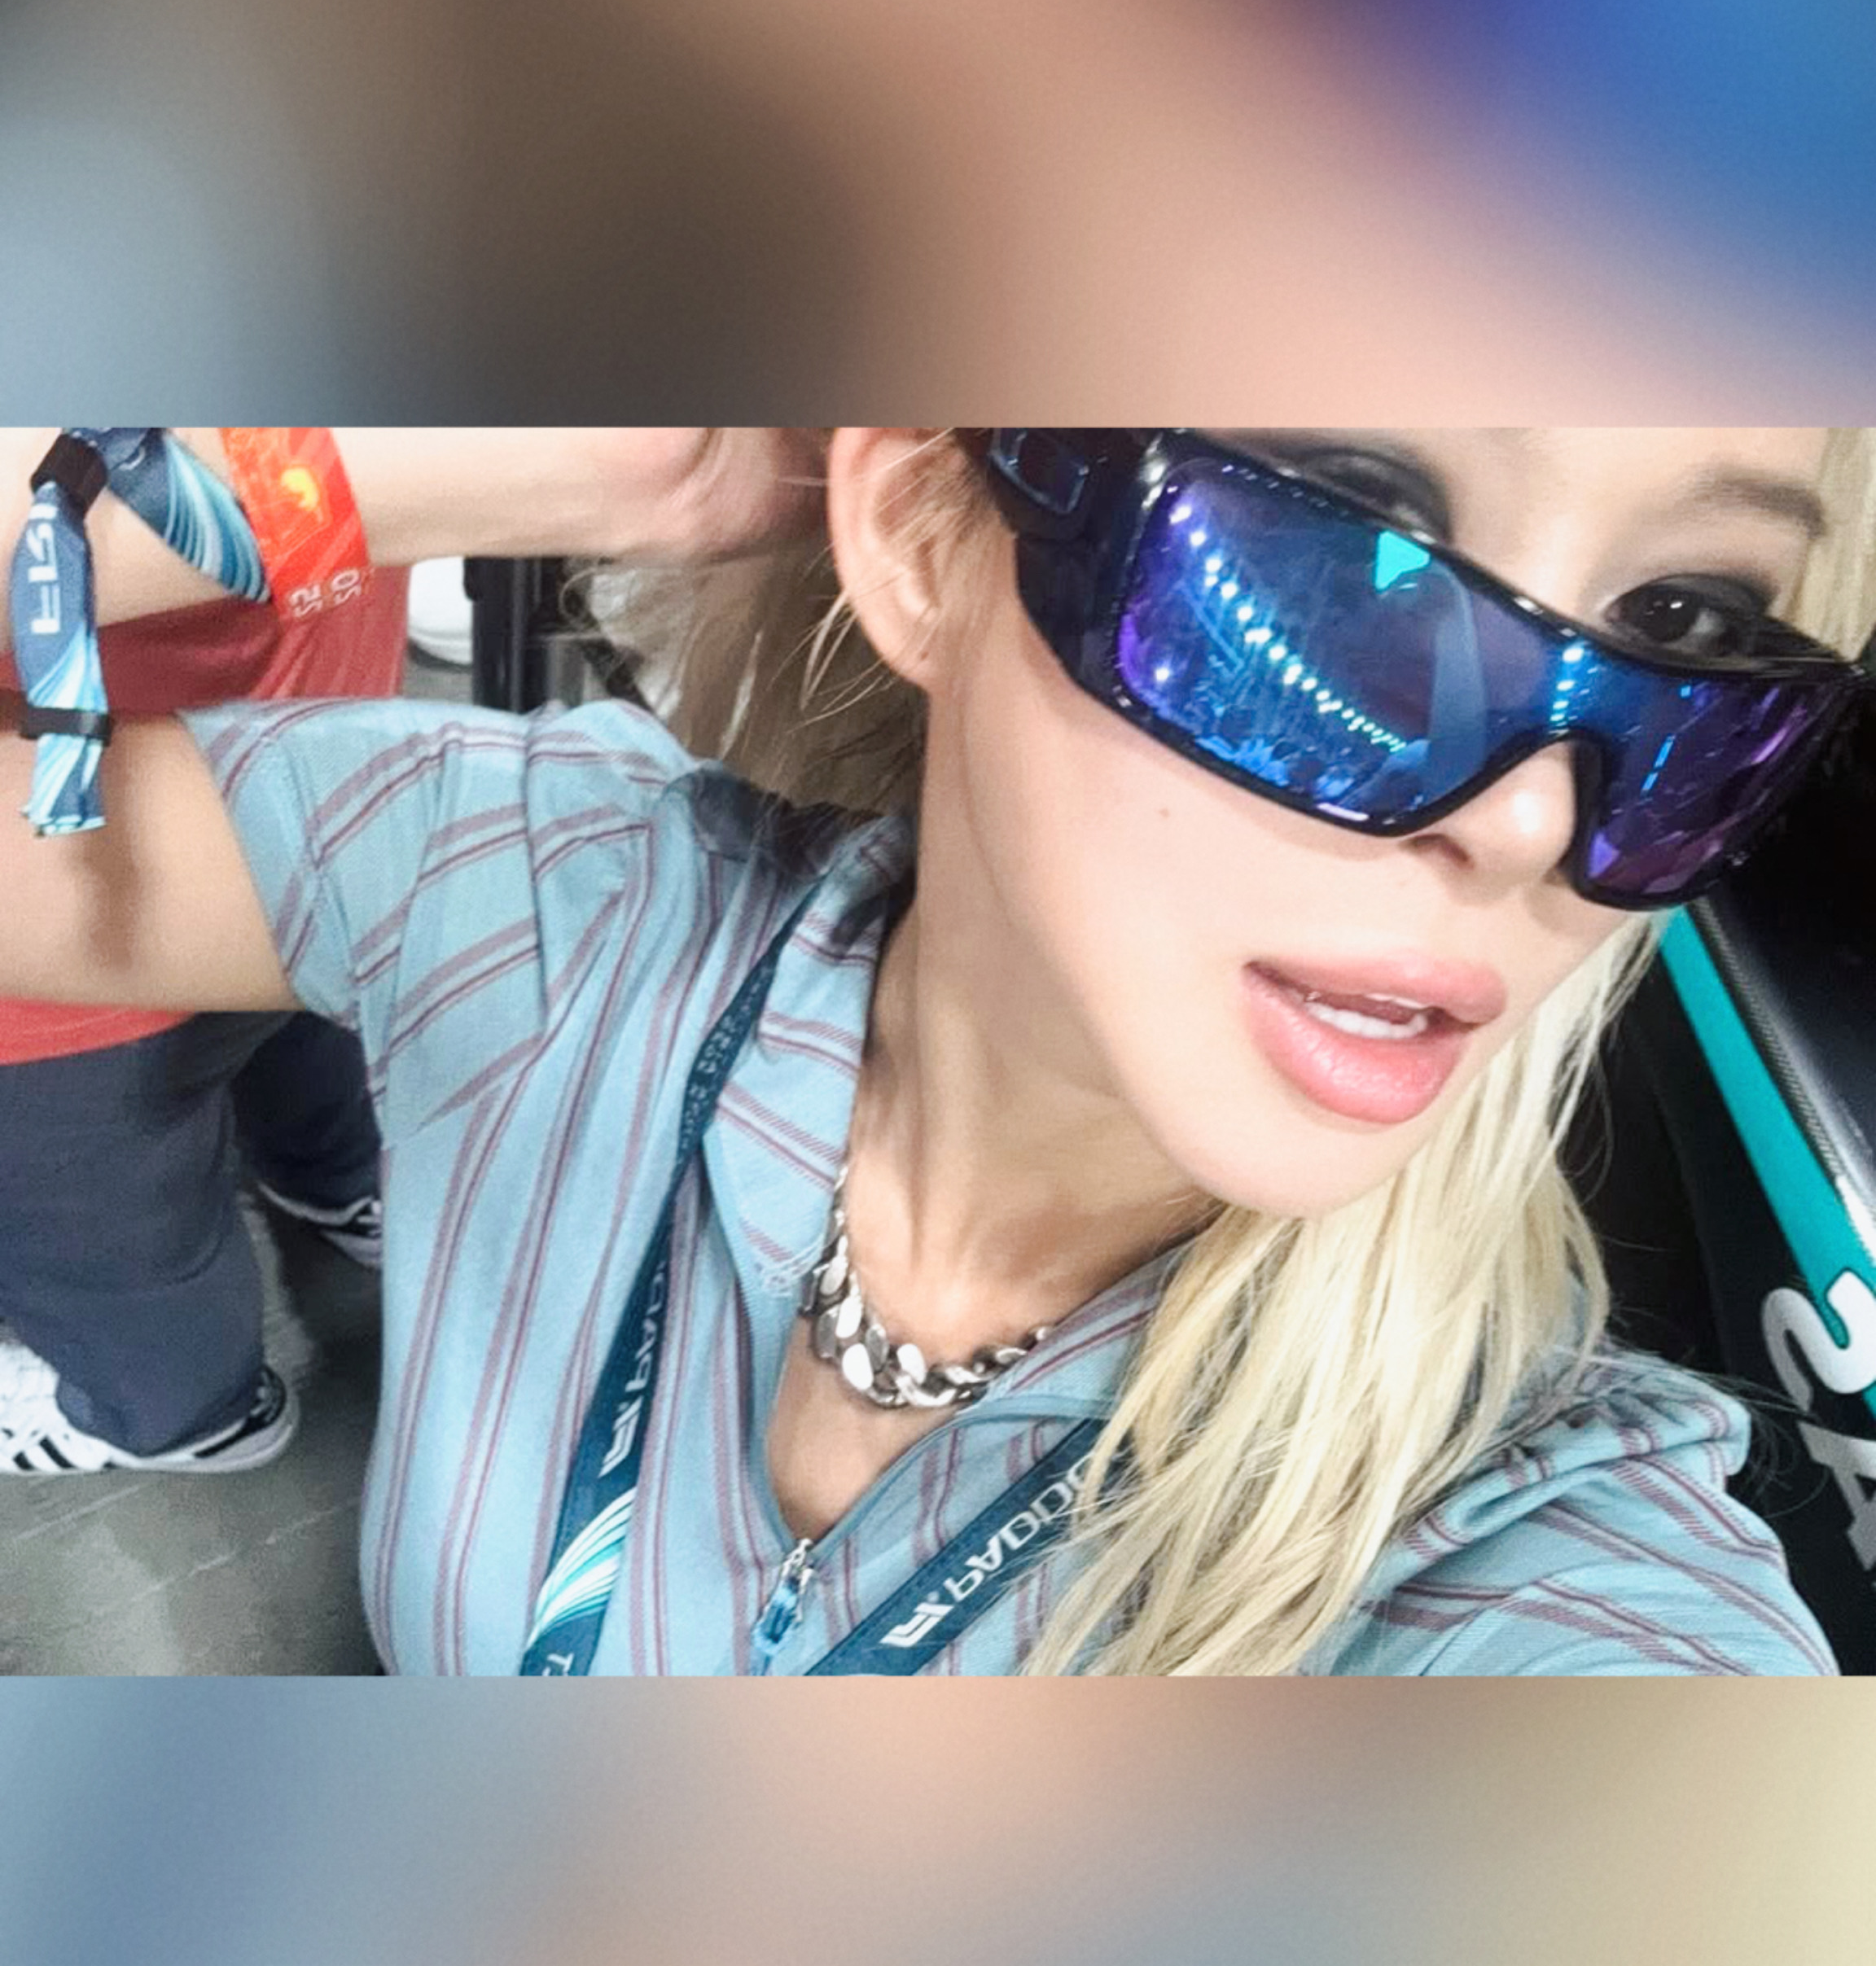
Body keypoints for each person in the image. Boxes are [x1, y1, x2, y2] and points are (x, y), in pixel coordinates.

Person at [2, 423, 1870, 1675]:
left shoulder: (1536, 1554)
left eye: (1690, 626)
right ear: (918, 537)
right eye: (1346, 560)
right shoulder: (556, 897)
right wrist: (453, 461)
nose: (1535, 819)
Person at [0, 480, 410, 1478]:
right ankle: (347, 1189)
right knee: (308, 1024)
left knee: (107, 1240)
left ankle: (173, 1411)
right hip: (317, 780)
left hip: (64, 937)